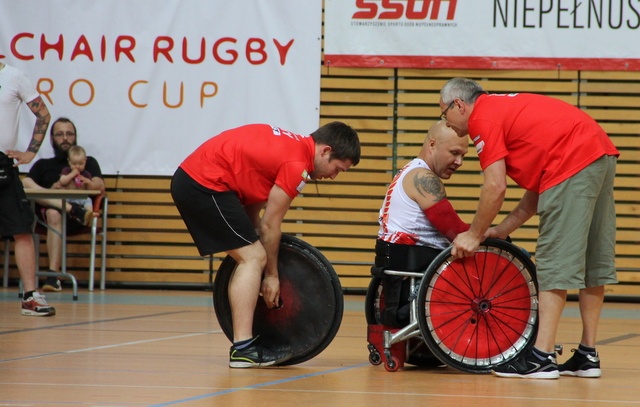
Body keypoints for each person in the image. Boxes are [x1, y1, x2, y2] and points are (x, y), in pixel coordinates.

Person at [439, 77, 619, 379]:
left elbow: (495, 186)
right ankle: (588, 355)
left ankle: (541, 357)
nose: (446, 122)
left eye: (443, 113)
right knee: (592, 260)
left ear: (458, 105)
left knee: (554, 260)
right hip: (598, 153)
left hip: (574, 160)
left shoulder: (482, 116)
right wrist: (500, 229)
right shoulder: (504, 108)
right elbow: (539, 191)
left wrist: (473, 234)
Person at [171, 122, 360, 368]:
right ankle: (243, 350)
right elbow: (271, 226)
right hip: (203, 184)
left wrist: (260, 247)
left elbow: (254, 212)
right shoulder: (297, 165)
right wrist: (271, 275)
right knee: (252, 258)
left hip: (206, 182)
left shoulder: (292, 148)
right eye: (337, 169)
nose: (333, 177)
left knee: (254, 251)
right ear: (325, 151)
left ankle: (245, 345)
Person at [373, 120, 469, 328]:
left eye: (463, 156)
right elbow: (457, 233)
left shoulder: (410, 171)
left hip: (400, 258)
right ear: (432, 144)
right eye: (454, 152)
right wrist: (489, 234)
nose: (459, 161)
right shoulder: (423, 178)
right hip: (416, 263)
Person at [22, 117, 105, 292]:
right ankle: (54, 276)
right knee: (29, 187)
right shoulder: (43, 165)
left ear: (75, 137)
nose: (65, 138)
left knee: (55, 212)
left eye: (69, 134)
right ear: (52, 138)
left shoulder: (87, 163)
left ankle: (74, 210)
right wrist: (52, 190)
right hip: (48, 219)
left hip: (81, 219)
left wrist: (83, 182)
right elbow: (26, 185)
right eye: (60, 134)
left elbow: (99, 185)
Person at [0, 61, 56, 316]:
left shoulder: (14, 76)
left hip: (3, 164)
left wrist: (30, 152)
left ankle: (30, 296)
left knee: (22, 229)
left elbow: (43, 114)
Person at [53, 145, 95, 215]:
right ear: (69, 161)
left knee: (88, 200)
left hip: (81, 197)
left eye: (81, 164)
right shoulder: (66, 171)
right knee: (59, 201)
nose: (77, 166)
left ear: (85, 161)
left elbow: (91, 190)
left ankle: (88, 213)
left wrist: (88, 182)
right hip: (68, 198)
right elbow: (62, 181)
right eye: (74, 164)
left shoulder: (86, 173)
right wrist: (72, 174)